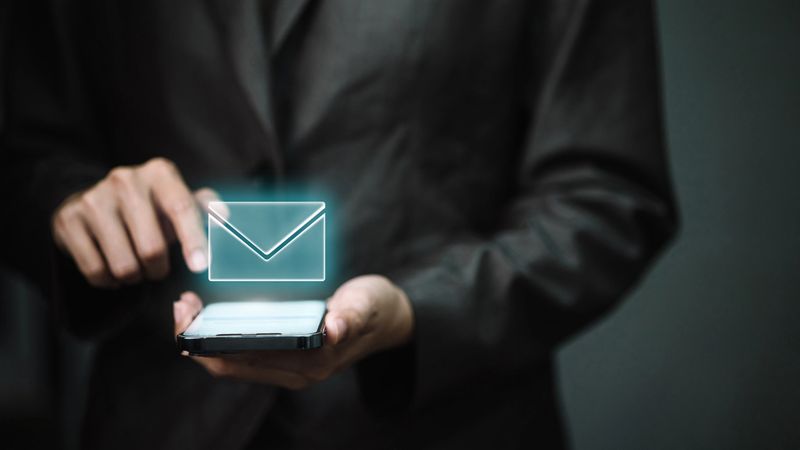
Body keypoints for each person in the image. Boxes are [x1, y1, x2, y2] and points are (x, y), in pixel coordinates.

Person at [2, 0, 677, 448]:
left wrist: (419, 312)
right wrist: (72, 207)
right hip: (157, 423)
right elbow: (20, 150)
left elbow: (605, 192)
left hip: (449, 425)